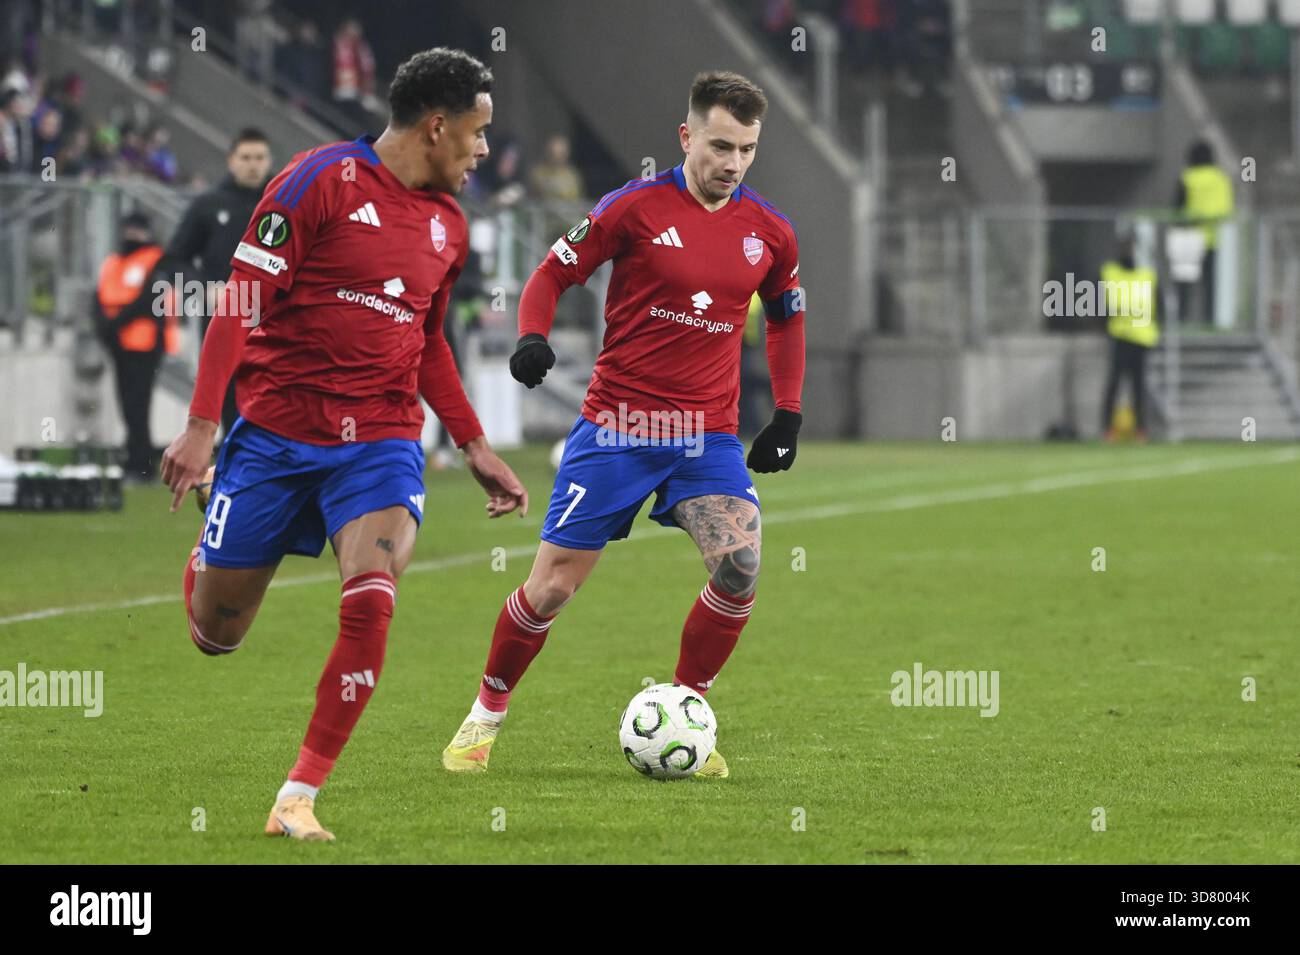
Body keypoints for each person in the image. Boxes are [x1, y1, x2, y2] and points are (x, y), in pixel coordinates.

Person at [159, 48, 528, 842]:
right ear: (438, 126)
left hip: (382, 440)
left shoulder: (449, 225)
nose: (485, 149)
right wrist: (201, 425)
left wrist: (471, 442)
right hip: (275, 436)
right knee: (215, 632)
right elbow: (238, 303)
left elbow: (428, 340)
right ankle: (210, 555)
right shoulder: (316, 181)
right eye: (478, 131)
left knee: (373, 588)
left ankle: (298, 794)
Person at [442, 71, 806, 780]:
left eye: (748, 149)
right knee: (550, 588)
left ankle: (687, 710)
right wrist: (532, 335)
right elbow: (551, 273)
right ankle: (484, 716)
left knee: (740, 565)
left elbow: (789, 317)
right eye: (721, 145)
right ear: (687, 136)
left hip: (706, 438)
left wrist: (787, 411)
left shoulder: (770, 232)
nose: (733, 163)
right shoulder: (634, 208)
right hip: (618, 428)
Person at [160, 128, 272, 439]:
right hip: (225, 320)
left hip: (275, 320)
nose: (253, 165)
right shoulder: (208, 205)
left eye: (260, 157)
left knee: (276, 405)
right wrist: (203, 287)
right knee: (233, 407)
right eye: (246, 157)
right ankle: (235, 474)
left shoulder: (283, 200)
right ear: (232, 161)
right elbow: (173, 260)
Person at [94, 212, 179, 480]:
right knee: (126, 404)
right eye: (128, 229)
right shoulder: (113, 261)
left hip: (144, 342)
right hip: (117, 342)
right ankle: (134, 458)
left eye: (137, 230)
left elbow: (149, 299)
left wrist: (117, 321)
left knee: (138, 404)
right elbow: (98, 297)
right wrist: (106, 328)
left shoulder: (156, 259)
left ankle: (142, 463)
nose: (132, 235)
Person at [1100, 233, 1159, 442]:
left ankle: (1141, 430)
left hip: (1142, 339)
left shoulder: (1146, 275)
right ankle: (1108, 430)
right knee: (1114, 384)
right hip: (1121, 336)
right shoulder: (1111, 272)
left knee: (1138, 387)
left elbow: (1155, 305)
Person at [1173, 139, 1233, 327]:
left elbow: (1177, 208)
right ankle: (1211, 322)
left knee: (1184, 286)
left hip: (1188, 236)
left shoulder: (1187, 177)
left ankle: (1181, 321)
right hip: (1214, 238)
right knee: (1211, 287)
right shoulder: (1222, 179)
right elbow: (1227, 208)